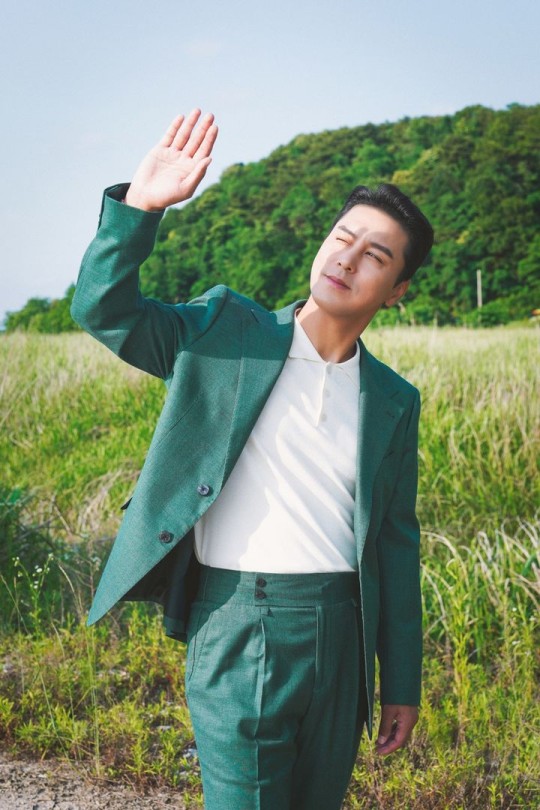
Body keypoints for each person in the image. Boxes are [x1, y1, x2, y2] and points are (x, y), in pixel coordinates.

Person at [71, 108, 433, 810]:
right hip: (239, 621)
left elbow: (396, 541)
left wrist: (402, 683)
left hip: (343, 634)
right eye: (342, 238)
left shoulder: (393, 398)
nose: (347, 258)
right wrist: (140, 209)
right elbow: (103, 311)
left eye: (375, 256)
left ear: (397, 291)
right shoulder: (226, 333)